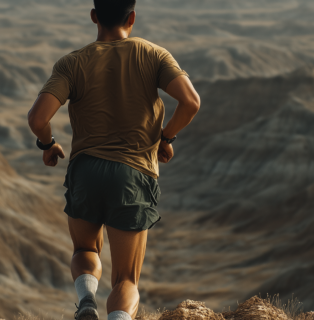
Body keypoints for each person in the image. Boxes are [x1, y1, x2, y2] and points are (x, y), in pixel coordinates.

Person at [26, 1, 200, 320]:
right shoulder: (154, 55)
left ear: (94, 17)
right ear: (132, 17)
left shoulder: (72, 63)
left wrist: (47, 144)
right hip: (133, 176)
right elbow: (190, 102)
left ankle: (86, 301)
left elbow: (38, 118)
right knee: (125, 279)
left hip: (85, 172)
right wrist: (166, 137)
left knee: (85, 251)